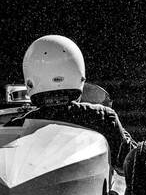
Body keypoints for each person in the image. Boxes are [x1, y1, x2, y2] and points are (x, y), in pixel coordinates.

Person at [13, 35, 137, 172]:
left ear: (30, 80)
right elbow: (128, 162)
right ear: (78, 73)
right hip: (91, 189)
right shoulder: (102, 117)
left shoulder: (18, 125)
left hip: (35, 191)